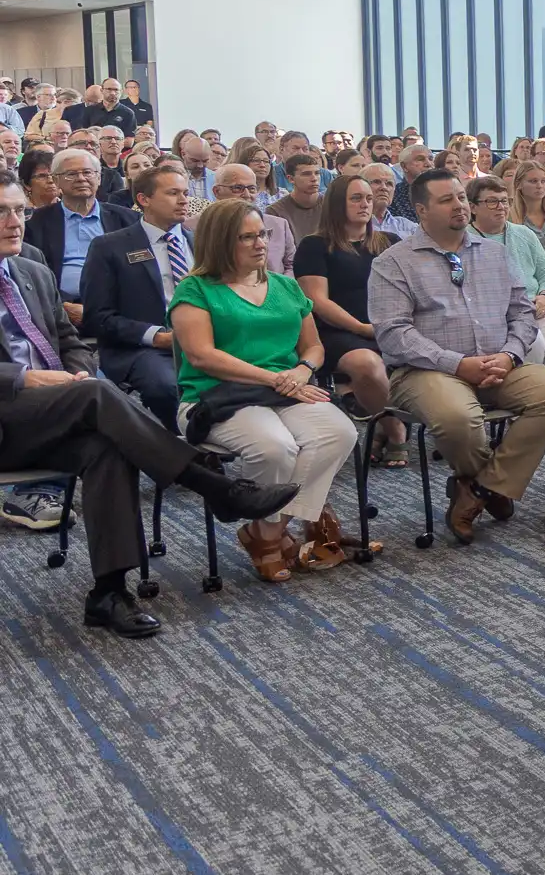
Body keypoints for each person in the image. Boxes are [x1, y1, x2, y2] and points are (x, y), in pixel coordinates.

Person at [0, 170, 298, 638]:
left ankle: (109, 592)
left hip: (56, 411)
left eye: (19, 210)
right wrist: (26, 377)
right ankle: (212, 484)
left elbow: (69, 339)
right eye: (1, 212)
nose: (15, 221)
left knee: (107, 447)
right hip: (9, 416)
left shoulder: (31, 268)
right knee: (98, 394)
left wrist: (77, 370)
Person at [368, 169, 545, 543]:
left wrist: (510, 355)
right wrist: (457, 364)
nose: (459, 205)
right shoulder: (393, 262)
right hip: (425, 371)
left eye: (461, 197)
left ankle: (480, 487)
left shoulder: (495, 254)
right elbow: (393, 333)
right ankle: (492, 486)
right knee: (458, 419)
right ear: (421, 210)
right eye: (446, 200)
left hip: (498, 362)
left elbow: (521, 313)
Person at [170, 199, 364, 583]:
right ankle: (270, 534)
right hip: (217, 397)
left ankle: (267, 532)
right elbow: (202, 356)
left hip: (286, 390)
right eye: (247, 237)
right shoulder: (195, 289)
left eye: (263, 234)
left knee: (339, 432)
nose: (260, 244)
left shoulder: (285, 286)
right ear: (220, 241)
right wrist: (274, 379)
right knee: (276, 447)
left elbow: (314, 347)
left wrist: (302, 370)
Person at [296, 172, 409, 468]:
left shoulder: (389, 242)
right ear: (337, 204)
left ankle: (379, 428)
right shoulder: (315, 245)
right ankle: (395, 430)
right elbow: (317, 301)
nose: (365, 204)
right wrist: (362, 328)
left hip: (388, 326)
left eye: (368, 198)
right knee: (366, 364)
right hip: (336, 332)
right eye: (356, 198)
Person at [80, 166, 192, 430]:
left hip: (206, 341)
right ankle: (181, 446)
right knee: (167, 387)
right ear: (144, 199)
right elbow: (97, 317)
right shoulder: (109, 247)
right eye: (173, 193)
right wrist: (156, 336)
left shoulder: (201, 243)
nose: (184, 200)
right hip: (144, 348)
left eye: (185, 193)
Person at [466, 176, 545, 377]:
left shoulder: (523, 233)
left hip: (538, 306)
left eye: (505, 200)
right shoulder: (465, 240)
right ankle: (527, 387)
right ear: (473, 207)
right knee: (533, 344)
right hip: (498, 314)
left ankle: (540, 386)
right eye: (491, 201)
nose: (501, 207)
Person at [25, 149, 138, 308]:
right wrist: (63, 305)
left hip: (120, 305)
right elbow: (32, 274)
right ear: (56, 181)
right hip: (62, 307)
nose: (81, 178)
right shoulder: (36, 223)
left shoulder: (128, 219)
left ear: (98, 178)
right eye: (71, 174)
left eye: (87, 172)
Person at [208, 164, 297, 274]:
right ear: (217, 191)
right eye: (237, 188)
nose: (246, 194)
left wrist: (279, 284)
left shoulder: (279, 225)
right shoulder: (199, 227)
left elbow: (291, 265)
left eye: (252, 189)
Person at [264, 154, 324, 275]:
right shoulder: (275, 211)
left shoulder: (332, 205)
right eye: (306, 174)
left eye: (317, 173)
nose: (314, 178)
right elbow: (279, 257)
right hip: (295, 271)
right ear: (290, 179)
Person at [361, 162, 423, 244]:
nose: (384, 188)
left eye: (389, 184)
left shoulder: (407, 226)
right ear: (361, 187)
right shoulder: (354, 225)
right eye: (376, 182)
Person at [230, 139, 278, 207]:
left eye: (266, 161)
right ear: (245, 163)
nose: (262, 165)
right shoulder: (235, 194)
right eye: (256, 160)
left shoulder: (282, 194)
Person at [391, 144, 433, 220]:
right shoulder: (394, 195)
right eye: (420, 159)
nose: (429, 164)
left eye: (430, 159)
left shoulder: (443, 190)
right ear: (404, 166)